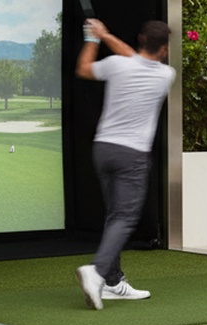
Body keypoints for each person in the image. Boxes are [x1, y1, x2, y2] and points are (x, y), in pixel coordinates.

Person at [74, 17, 175, 309]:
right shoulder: (167, 74)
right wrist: (106, 35)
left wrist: (95, 38)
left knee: (114, 216)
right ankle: (95, 271)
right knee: (124, 218)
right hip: (132, 155)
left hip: (103, 150)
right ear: (165, 48)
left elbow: (83, 69)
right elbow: (133, 57)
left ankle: (112, 281)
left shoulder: (117, 65)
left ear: (141, 39)